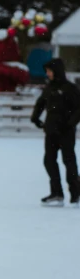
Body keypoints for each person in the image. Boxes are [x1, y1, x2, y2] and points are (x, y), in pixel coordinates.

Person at [31, 58, 80, 206]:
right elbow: (40, 104)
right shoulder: (49, 88)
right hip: (51, 131)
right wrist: (35, 118)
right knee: (49, 161)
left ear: (57, 71)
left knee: (68, 161)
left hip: (66, 132)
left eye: (49, 71)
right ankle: (56, 193)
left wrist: (69, 124)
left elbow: (79, 109)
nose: (48, 74)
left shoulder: (70, 88)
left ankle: (76, 193)